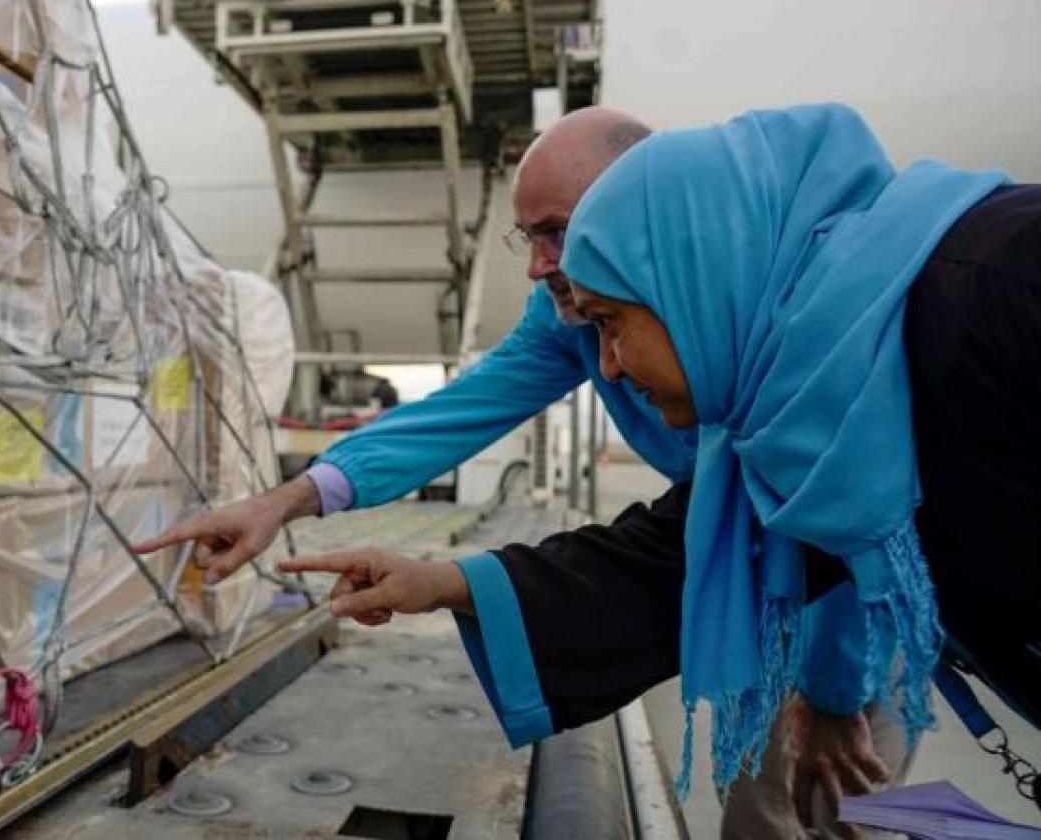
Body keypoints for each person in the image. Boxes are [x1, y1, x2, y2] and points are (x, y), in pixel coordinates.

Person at [136, 107, 916, 837]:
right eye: (528, 239)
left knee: (830, 803)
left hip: (852, 621)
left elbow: (851, 518)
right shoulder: (572, 310)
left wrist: (836, 690)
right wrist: (287, 500)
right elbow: (466, 406)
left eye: (557, 232)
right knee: (760, 806)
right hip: (748, 588)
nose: (541, 266)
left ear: (641, 215)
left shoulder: (787, 322)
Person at [278, 104, 1040, 832]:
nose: (604, 366)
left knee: (821, 811)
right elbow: (698, 542)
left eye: (610, 323)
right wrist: (429, 571)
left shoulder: (998, 291)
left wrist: (836, 691)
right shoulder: (795, 374)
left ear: (676, 253)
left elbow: (825, 542)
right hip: (767, 616)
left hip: (848, 645)